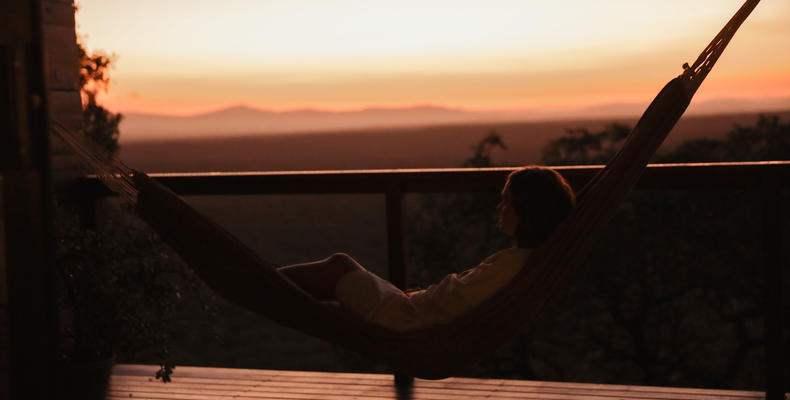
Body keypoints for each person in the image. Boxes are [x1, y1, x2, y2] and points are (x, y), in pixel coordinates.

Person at [278, 166, 576, 331]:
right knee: (341, 272)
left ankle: (259, 282)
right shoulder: (523, 262)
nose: (500, 208)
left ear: (526, 210)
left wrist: (417, 299)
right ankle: (262, 284)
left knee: (338, 266)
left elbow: (450, 302)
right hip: (412, 309)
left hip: (404, 318)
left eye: (507, 201)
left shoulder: (511, 265)